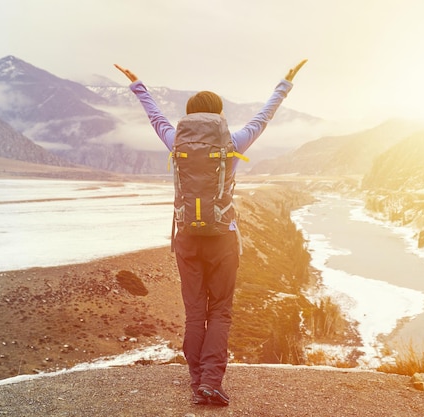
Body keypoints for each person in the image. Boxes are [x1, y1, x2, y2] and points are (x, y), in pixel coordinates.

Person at [114, 59, 306, 406]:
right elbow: (264, 117)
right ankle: (211, 382)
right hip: (222, 239)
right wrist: (285, 84)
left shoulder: (176, 141)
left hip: (186, 238)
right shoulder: (232, 143)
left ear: (189, 116)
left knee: (195, 313)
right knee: (220, 311)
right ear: (218, 115)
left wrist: (138, 84)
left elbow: (154, 117)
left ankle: (196, 381)